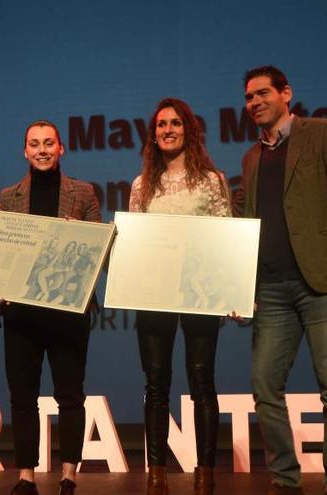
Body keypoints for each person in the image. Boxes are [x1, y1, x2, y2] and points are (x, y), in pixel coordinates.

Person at [237, 66, 327, 495]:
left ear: (286, 93)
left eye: (262, 94)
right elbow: (246, 226)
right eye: (249, 97)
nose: (255, 102)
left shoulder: (322, 133)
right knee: (264, 386)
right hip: (271, 290)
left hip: (321, 283)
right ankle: (285, 478)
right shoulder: (251, 157)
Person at [127, 98, 231, 495]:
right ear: (153, 135)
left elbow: (225, 236)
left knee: (203, 382)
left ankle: (205, 474)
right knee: (156, 384)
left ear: (188, 129)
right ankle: (156, 474)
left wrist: (230, 290)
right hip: (154, 297)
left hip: (200, 295)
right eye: (160, 125)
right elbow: (135, 241)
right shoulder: (141, 185)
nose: (167, 130)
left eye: (174, 123)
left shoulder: (212, 181)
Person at [0, 120, 101, 495]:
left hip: (67, 312)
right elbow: (1, 254)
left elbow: (100, 254)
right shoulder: (10, 196)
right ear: (25, 151)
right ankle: (26, 475)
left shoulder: (84, 194)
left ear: (61, 149)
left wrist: (80, 237)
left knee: (70, 395)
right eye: (34, 144)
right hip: (22, 314)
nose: (42, 149)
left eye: (48, 143)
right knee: (22, 397)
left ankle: (69, 474)